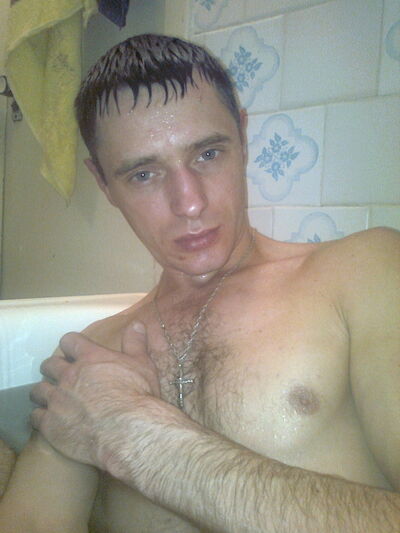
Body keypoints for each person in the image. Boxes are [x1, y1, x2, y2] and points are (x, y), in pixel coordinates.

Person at [0, 34, 399, 533]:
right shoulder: (95, 351)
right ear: (103, 183)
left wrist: (140, 437)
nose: (189, 202)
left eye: (208, 154)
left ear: (244, 138)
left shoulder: (363, 273)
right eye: (143, 174)